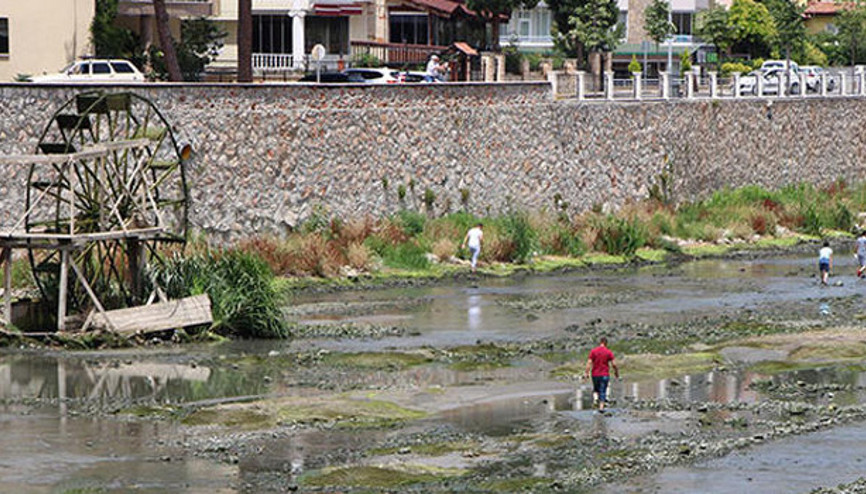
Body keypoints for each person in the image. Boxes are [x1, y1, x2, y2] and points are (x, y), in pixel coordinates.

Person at [584, 336, 619, 411]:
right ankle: (601, 407)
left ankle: (596, 400)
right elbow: (614, 364)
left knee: (596, 389)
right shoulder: (608, 352)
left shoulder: (593, 351)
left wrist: (586, 373)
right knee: (603, 390)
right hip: (604, 374)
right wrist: (616, 372)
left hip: (595, 374)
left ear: (600, 342)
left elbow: (589, 362)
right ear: (606, 343)